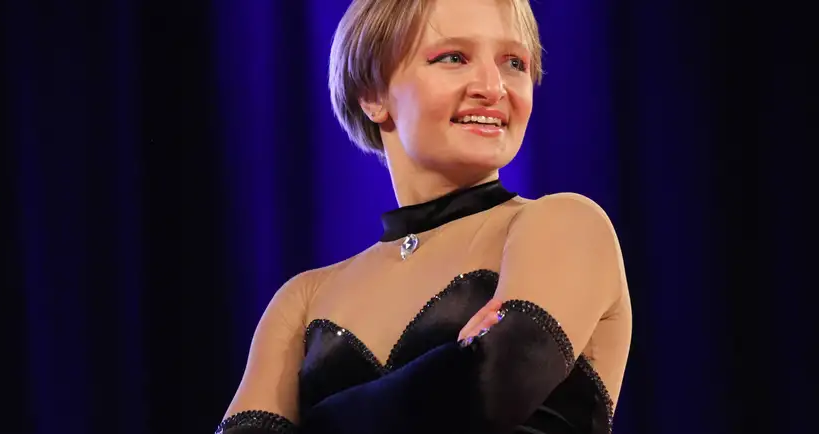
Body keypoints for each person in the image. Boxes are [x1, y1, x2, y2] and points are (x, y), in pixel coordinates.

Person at [215, 0, 631, 432]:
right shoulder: (302, 301)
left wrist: (314, 421)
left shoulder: (565, 225)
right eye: (453, 58)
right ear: (373, 95)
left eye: (514, 63)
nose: (493, 87)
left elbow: (491, 389)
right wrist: (450, 367)